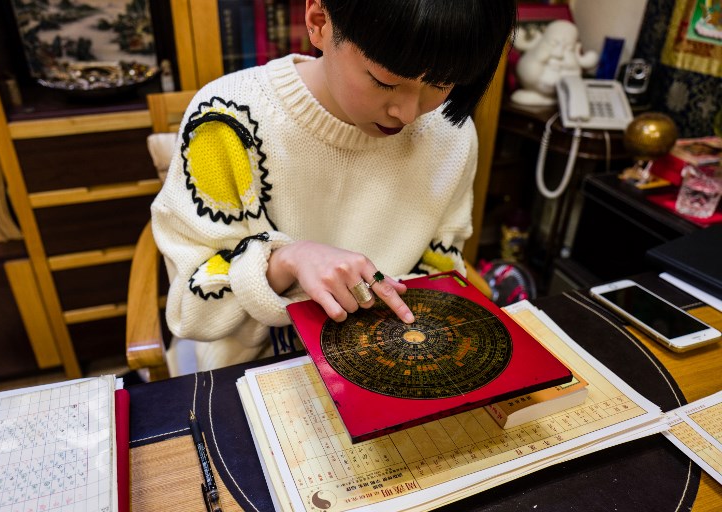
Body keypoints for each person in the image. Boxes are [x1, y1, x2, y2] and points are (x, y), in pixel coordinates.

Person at [151, 0, 517, 373]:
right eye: (385, 80)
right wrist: (286, 262)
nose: (408, 113)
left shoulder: (449, 135)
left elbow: (440, 269)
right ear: (319, 22)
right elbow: (190, 307)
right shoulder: (225, 121)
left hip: (391, 361)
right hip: (255, 370)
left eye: (440, 83)